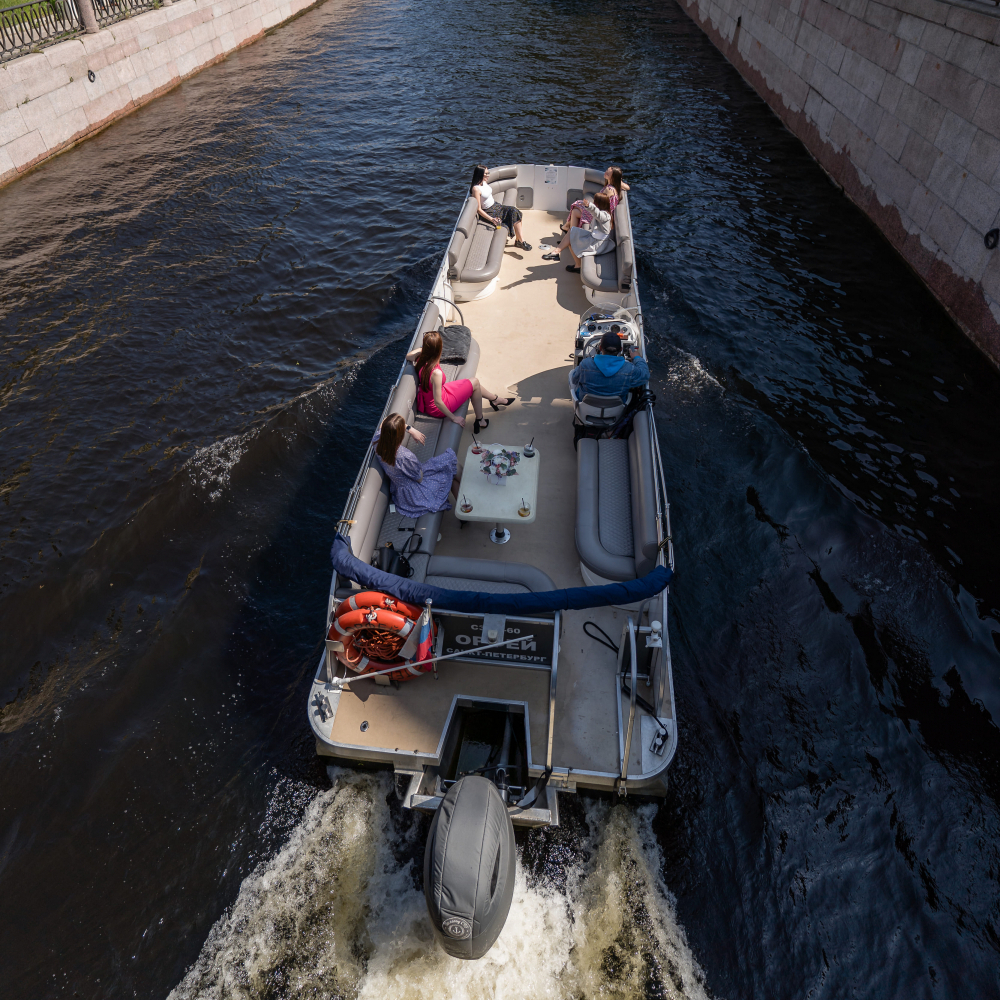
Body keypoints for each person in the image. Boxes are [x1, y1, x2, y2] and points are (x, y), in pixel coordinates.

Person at [406, 330, 514, 436]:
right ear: (438, 349)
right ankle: (481, 419)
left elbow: (408, 356)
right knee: (475, 382)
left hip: (436, 394)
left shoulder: (421, 358)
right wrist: (454, 418)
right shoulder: (436, 373)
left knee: (472, 382)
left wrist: (423, 349)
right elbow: (438, 402)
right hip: (440, 406)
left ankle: (495, 399)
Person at [374, 414, 460, 518]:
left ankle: (463, 509)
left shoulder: (377, 441)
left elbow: (385, 421)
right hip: (414, 493)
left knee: (449, 468)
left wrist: (409, 429)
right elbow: (419, 478)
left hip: (401, 491)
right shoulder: (405, 456)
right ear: (400, 435)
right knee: (451, 470)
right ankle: (465, 508)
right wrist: (410, 429)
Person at [542, 191, 614, 272]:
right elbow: (596, 213)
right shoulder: (603, 212)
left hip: (597, 244)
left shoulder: (605, 215)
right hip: (593, 237)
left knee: (571, 238)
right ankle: (557, 253)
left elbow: (597, 214)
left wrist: (589, 205)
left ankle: (573, 263)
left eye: (595, 201)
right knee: (572, 231)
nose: (594, 202)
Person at [569, 330, 649, 403]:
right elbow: (645, 375)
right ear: (621, 349)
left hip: (587, 407)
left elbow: (574, 380)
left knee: (572, 373)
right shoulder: (629, 369)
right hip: (615, 410)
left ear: (600, 348)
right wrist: (637, 358)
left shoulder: (585, 364)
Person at [470, 165, 532, 251]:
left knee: (515, 211)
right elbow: (478, 209)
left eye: (488, 173)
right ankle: (521, 241)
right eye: (486, 174)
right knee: (512, 215)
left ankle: (519, 240)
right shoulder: (476, 189)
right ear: (480, 174)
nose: (488, 175)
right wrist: (492, 219)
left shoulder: (484, 182)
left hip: (496, 206)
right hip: (489, 212)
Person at [559, 165, 630, 232]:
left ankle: (570, 232)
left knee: (577, 204)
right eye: (606, 171)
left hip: (599, 216)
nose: (605, 173)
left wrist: (589, 206)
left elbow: (602, 207)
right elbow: (627, 187)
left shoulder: (609, 190)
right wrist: (619, 181)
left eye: (608, 174)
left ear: (613, 178)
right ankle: (569, 230)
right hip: (600, 212)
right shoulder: (614, 186)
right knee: (575, 211)